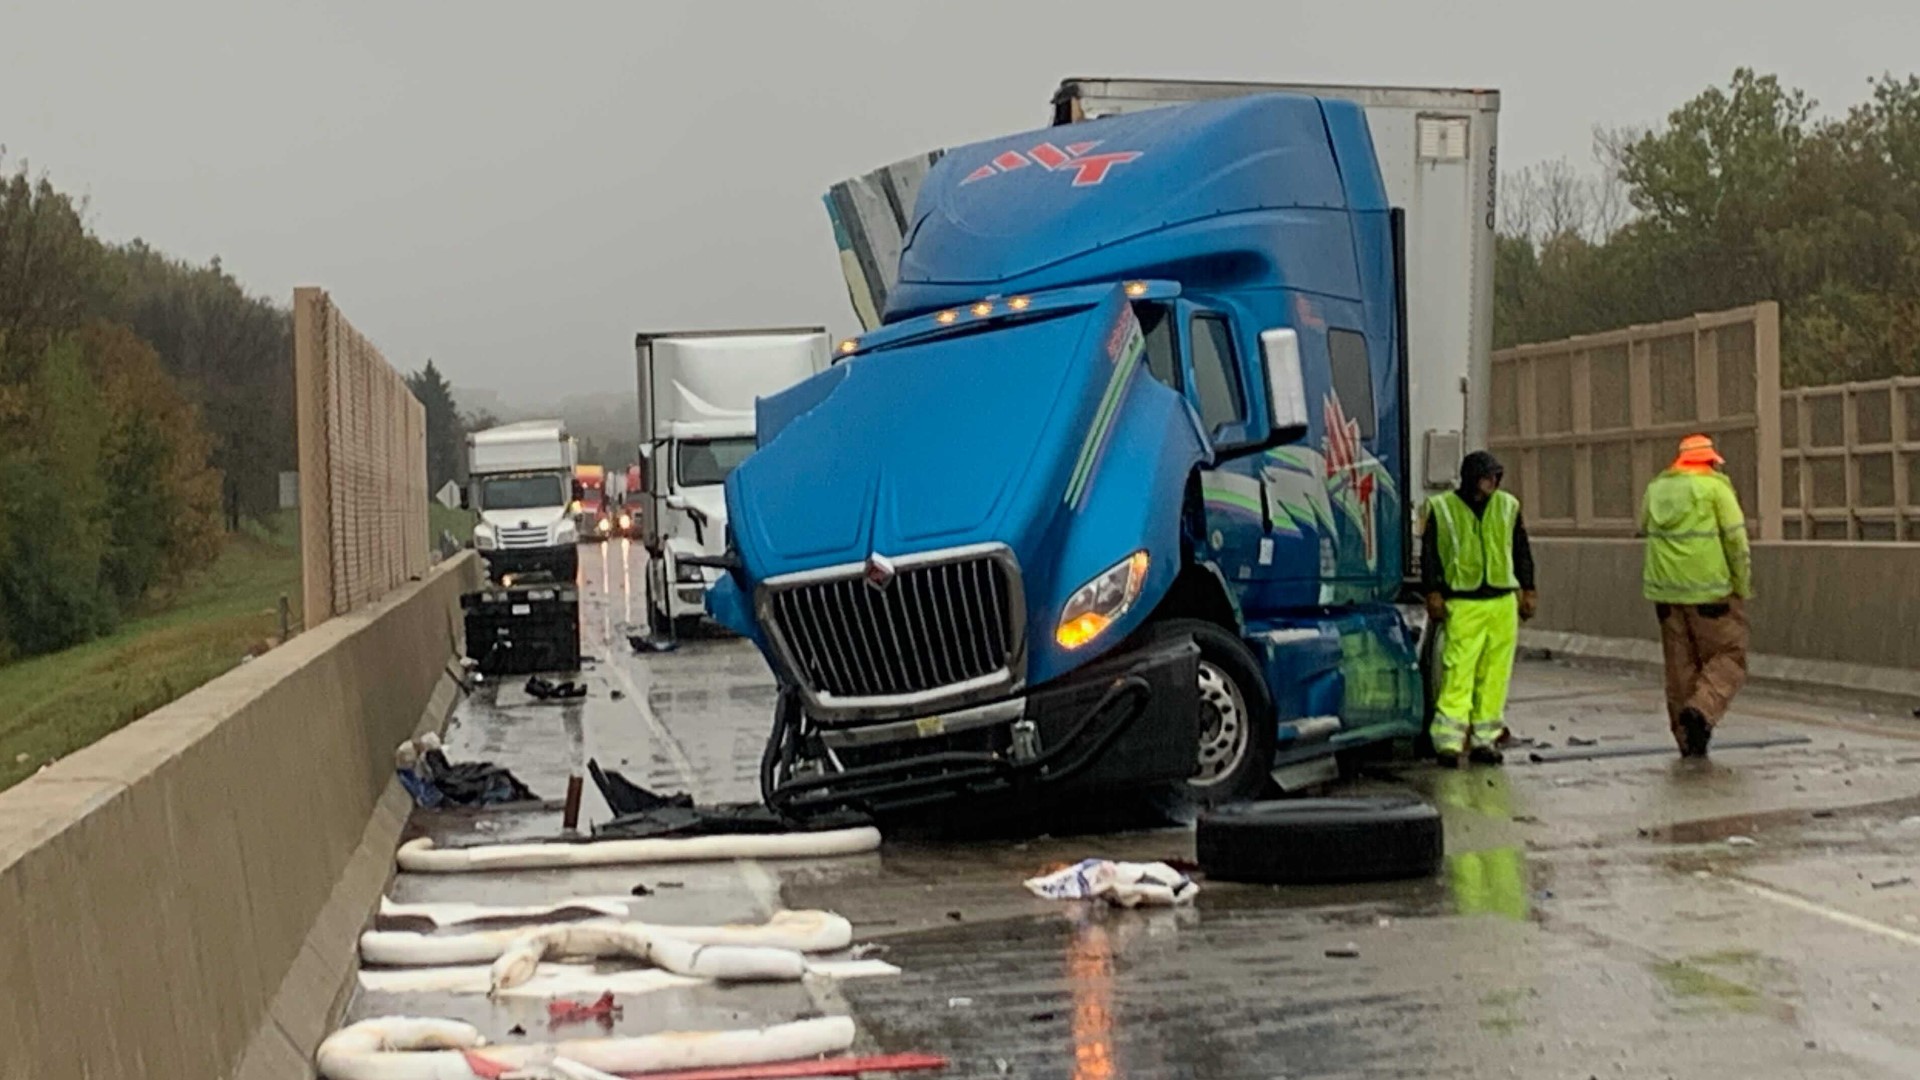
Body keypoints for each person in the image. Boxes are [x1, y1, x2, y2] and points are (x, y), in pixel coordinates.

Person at [1421, 451, 1538, 767]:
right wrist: (1432, 592)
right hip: (1463, 601)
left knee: (1495, 674)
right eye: (1488, 477)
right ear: (1472, 477)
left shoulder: (1507, 507)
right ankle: (1448, 740)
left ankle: (1485, 738)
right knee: (1458, 671)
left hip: (1501, 601)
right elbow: (1429, 553)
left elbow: (1521, 550)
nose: (1493, 483)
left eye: (1496, 477)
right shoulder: (1443, 509)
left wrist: (1528, 589)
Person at [1640, 434, 1752, 758]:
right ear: (1710, 461)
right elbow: (1736, 542)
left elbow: (1641, 525)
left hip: (1666, 594)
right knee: (1730, 655)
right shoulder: (1715, 489)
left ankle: (1688, 741)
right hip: (1711, 592)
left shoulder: (1656, 489)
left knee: (1679, 667)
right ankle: (1701, 711)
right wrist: (1741, 585)